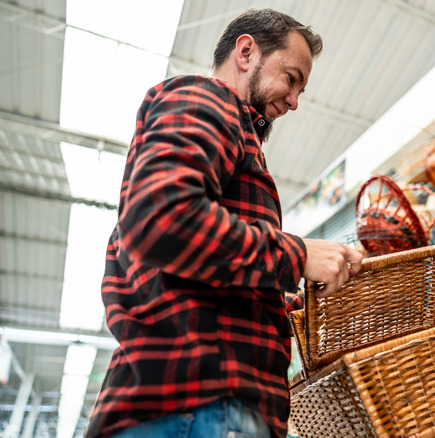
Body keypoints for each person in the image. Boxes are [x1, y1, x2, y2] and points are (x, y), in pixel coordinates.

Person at [85, 8, 363, 438]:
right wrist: (298, 254)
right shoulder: (205, 98)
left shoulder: (230, 129)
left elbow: (199, 268)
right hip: (199, 406)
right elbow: (162, 217)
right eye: (291, 78)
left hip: (197, 406)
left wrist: (285, 303)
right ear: (247, 51)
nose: (293, 100)